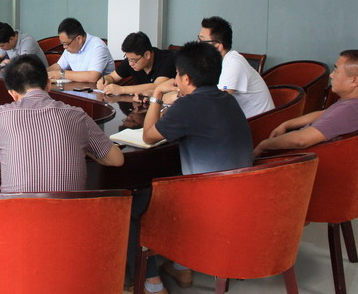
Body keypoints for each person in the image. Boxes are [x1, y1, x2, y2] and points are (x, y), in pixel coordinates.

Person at [125, 41, 252, 294]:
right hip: (242, 194)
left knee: (130, 205)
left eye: (176, 74)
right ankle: (181, 267)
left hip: (207, 200)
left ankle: (152, 283)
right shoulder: (228, 100)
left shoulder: (188, 106)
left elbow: (149, 136)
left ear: (185, 78)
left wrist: (157, 94)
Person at [0, 55, 124, 191]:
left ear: (12, 93)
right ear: (49, 85)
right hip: (71, 214)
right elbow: (117, 159)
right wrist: (82, 142)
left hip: (17, 213)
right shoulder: (77, 116)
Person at [253, 50, 358, 158]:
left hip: (305, 164)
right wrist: (286, 124)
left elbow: (301, 140)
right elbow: (324, 114)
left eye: (336, 70)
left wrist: (264, 145)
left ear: (354, 80)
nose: (331, 75)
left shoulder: (349, 111)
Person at [198, 16, 274, 118]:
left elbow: (217, 102)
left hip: (259, 123)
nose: (197, 45)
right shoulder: (215, 62)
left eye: (202, 41)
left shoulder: (234, 62)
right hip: (239, 120)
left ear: (218, 46)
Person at [96, 32, 175, 96]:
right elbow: (112, 77)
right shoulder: (131, 60)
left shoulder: (167, 60)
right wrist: (105, 80)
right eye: (128, 58)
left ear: (147, 55)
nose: (130, 64)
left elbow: (157, 86)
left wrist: (121, 89)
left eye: (134, 60)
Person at [46, 17, 114, 82]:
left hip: (100, 89)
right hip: (79, 87)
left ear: (79, 39)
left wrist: (62, 74)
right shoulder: (70, 47)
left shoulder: (98, 46)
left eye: (66, 44)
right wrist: (43, 72)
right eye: (62, 43)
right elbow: (59, 66)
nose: (64, 47)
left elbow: (93, 77)